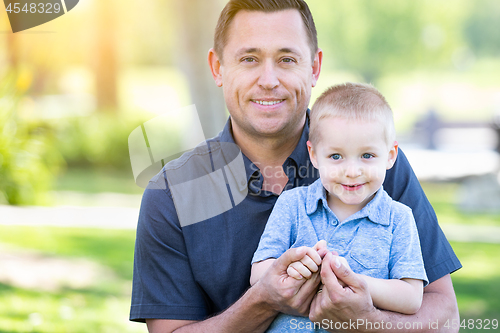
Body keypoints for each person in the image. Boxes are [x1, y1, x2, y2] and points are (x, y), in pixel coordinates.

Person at [130, 1, 462, 332]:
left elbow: (445, 317)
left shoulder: (371, 167)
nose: (269, 80)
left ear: (315, 68)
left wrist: (368, 321)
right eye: (250, 59)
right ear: (217, 68)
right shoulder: (170, 196)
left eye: (287, 59)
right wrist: (264, 299)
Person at [250, 82, 428, 332]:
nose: (352, 171)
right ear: (314, 155)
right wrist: (293, 270)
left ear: (390, 155)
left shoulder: (398, 218)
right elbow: (257, 274)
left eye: (367, 156)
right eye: (336, 157)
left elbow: (411, 297)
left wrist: (354, 282)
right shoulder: (293, 205)